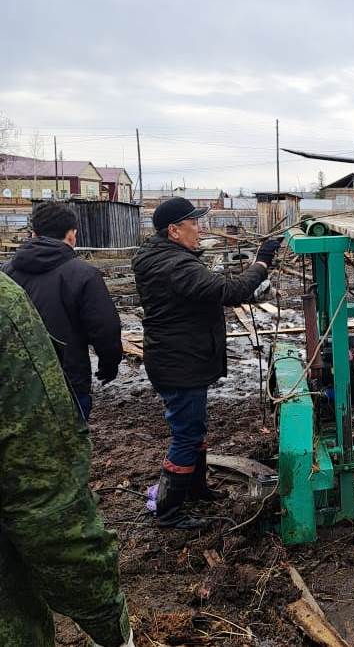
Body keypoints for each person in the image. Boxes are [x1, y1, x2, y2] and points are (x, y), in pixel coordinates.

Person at [132, 197, 282, 530]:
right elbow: (230, 291)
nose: (200, 230)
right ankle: (169, 511)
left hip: (179, 359)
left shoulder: (165, 258)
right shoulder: (175, 265)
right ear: (174, 231)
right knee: (186, 435)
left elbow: (212, 293)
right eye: (194, 224)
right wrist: (261, 262)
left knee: (194, 429)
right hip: (179, 363)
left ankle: (196, 489)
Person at [0, 272, 133, 647]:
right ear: (72, 240)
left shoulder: (16, 267)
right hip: (61, 381)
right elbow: (43, 496)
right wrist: (108, 620)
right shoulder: (8, 304)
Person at [2, 201, 122, 421]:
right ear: (71, 235)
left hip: (15, 382)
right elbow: (105, 328)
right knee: (70, 439)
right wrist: (109, 364)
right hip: (67, 382)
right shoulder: (84, 275)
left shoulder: (6, 273)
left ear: (34, 233)